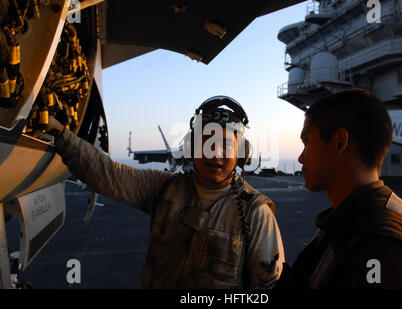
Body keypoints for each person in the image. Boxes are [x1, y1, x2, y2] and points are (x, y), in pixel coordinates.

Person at [49, 95, 285, 288]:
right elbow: (108, 174)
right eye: (206, 142)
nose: (215, 153)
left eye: (226, 145)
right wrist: (59, 134)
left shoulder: (256, 213)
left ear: (241, 153)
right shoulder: (164, 188)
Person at [276, 89, 402, 289]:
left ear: (340, 141)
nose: (301, 157)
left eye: (307, 141)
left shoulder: (382, 249)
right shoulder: (356, 221)